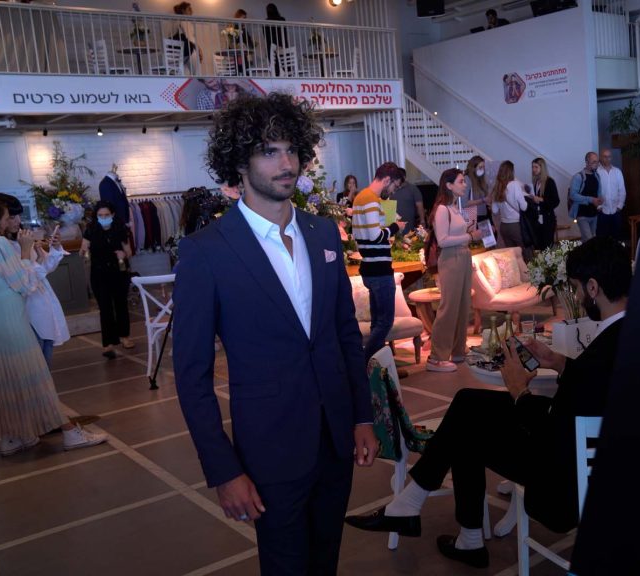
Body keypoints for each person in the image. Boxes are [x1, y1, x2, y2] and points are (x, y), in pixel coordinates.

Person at [173, 92, 377, 575]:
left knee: (326, 553)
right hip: (268, 448)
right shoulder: (207, 252)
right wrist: (224, 469)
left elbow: (345, 335)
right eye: (269, 151)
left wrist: (362, 417)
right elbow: (192, 377)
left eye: (292, 150)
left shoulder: (324, 233)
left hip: (335, 440)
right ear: (238, 163)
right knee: (286, 564)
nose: (287, 164)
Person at [346, 236, 631, 569]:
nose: (579, 299)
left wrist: (518, 390)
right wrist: (558, 362)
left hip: (566, 482)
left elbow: (553, 432)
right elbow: (592, 392)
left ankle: (427, 515)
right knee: (468, 404)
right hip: (609, 460)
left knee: (467, 425)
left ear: (594, 287)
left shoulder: (600, 356)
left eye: (578, 289)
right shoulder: (632, 335)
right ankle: (439, 523)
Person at [0, 200, 107, 457]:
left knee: (3, 379)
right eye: (4, 218)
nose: (8, 222)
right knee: (34, 376)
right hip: (8, 316)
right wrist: (24, 252)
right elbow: (22, 283)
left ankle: (12, 437)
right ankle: (70, 433)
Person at [0, 193, 70, 368]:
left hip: (42, 304)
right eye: (10, 217)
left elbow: (43, 269)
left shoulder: (20, 238)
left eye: (18, 215)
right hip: (26, 310)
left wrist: (52, 249)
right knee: (35, 365)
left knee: (45, 358)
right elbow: (23, 281)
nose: (17, 221)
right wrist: (28, 251)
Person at [425, 168, 482, 373]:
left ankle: (458, 350)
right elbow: (443, 240)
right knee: (449, 307)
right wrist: (470, 237)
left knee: (463, 304)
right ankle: (436, 357)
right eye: (460, 181)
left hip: (463, 256)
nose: (464, 184)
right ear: (448, 185)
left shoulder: (454, 207)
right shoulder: (442, 209)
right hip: (451, 258)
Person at [352, 161, 404, 364]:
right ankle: (364, 364)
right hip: (379, 269)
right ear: (387, 180)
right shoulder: (371, 199)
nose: (393, 191)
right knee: (384, 322)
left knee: (377, 323)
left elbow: (361, 235)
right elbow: (375, 235)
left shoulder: (360, 198)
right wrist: (395, 227)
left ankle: (377, 366)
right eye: (394, 186)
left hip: (369, 267)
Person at [80, 200, 134, 359]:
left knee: (121, 304)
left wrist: (123, 255)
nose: (103, 218)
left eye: (106, 215)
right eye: (100, 215)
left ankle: (124, 337)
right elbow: (82, 251)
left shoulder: (120, 229)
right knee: (105, 308)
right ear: (96, 216)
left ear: (113, 215)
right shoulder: (91, 230)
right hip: (99, 273)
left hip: (118, 272)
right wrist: (84, 251)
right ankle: (108, 343)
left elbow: (129, 251)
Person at [491, 160, 530, 262]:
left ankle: (518, 277)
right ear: (511, 172)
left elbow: (494, 210)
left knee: (513, 257)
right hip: (516, 225)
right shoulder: (514, 184)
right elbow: (524, 207)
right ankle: (530, 277)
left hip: (504, 227)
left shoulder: (497, 187)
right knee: (526, 255)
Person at [528, 157, 560, 252]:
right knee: (539, 246)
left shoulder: (550, 182)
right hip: (537, 219)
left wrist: (541, 200)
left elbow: (556, 201)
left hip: (547, 219)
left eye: (536, 167)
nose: (533, 170)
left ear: (542, 168)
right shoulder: (535, 182)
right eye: (533, 167)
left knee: (547, 247)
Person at [569, 151, 602, 242]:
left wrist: (600, 202)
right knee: (589, 240)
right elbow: (572, 195)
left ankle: (586, 256)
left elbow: (598, 193)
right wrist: (591, 200)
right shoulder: (578, 177)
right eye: (594, 162)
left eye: (597, 162)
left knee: (591, 240)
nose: (596, 164)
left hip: (594, 214)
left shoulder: (597, 176)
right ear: (587, 162)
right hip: (582, 214)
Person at [595, 149, 626, 241]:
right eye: (604, 156)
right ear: (601, 158)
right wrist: (598, 206)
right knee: (602, 239)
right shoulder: (596, 172)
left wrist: (620, 206)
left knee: (616, 238)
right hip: (602, 211)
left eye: (609, 156)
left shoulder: (617, 172)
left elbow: (622, 190)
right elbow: (594, 191)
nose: (607, 159)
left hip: (616, 210)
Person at [170, 2, 202, 74]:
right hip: (187, 51)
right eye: (189, 9)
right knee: (197, 72)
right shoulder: (184, 21)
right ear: (183, 11)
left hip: (179, 51)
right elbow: (190, 38)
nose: (192, 11)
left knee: (186, 72)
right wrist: (198, 49)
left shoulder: (178, 21)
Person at [391, 168, 425, 236]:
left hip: (409, 226)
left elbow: (419, 205)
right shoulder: (391, 188)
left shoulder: (413, 189)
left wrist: (422, 220)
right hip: (393, 225)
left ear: (404, 177)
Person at [465, 155, 492, 225]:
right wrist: (483, 200)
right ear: (473, 168)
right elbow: (464, 203)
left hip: (483, 215)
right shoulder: (467, 179)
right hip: (472, 216)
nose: (482, 169)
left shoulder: (481, 180)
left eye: (484, 167)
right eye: (480, 167)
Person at [264, 3, 288, 76]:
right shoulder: (282, 20)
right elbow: (283, 33)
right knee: (285, 65)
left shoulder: (266, 22)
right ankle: (286, 79)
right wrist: (282, 44)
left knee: (275, 66)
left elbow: (266, 36)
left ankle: (277, 80)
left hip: (271, 46)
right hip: (282, 44)